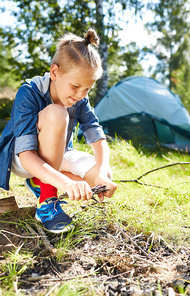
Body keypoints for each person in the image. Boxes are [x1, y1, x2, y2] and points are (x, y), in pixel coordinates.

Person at [0, 28, 117, 233]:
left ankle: (43, 182)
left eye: (87, 89)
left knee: (92, 177)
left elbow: (97, 137)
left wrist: (102, 171)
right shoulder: (29, 92)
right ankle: (46, 201)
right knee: (57, 113)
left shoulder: (79, 97)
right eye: (75, 86)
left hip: (58, 154)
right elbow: (26, 155)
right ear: (54, 72)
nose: (80, 95)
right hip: (24, 159)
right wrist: (62, 181)